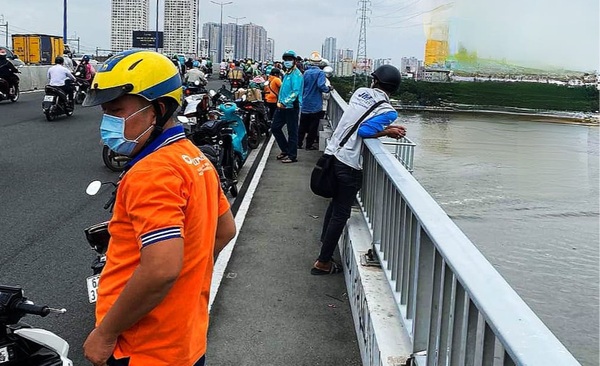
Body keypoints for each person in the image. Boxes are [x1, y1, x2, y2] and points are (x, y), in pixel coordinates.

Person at [81, 50, 236, 366]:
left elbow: (161, 269)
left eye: (116, 110)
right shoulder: (193, 158)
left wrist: (106, 332)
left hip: (142, 348)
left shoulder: (152, 172)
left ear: (158, 110)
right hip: (185, 341)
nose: (107, 121)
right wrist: (185, 278)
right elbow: (225, 230)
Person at [312, 64, 406, 275]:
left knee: (334, 203)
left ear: (375, 80)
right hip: (349, 163)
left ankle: (324, 243)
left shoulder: (360, 92)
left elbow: (359, 119)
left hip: (333, 153)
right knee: (341, 212)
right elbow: (364, 130)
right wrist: (388, 132)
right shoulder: (388, 111)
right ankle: (322, 262)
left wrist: (383, 129)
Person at [271, 50, 304, 164]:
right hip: (281, 107)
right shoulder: (287, 73)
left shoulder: (297, 75)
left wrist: (285, 102)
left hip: (291, 107)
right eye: (285, 60)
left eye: (289, 59)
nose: (287, 62)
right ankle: (285, 150)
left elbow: (295, 92)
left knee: (292, 132)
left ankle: (292, 155)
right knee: (275, 128)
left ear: (294, 61)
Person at [298, 52, 331, 150]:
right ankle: (309, 145)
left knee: (302, 125)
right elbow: (321, 86)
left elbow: (302, 87)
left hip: (305, 103)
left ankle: (298, 143)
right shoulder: (320, 73)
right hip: (315, 104)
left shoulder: (306, 73)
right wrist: (328, 89)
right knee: (313, 126)